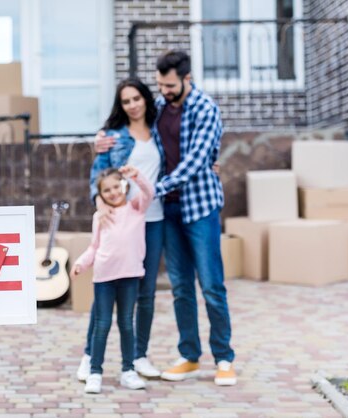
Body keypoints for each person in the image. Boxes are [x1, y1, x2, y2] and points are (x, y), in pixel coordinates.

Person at [95, 50, 236, 386]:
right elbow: (136, 131)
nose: (164, 90)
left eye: (170, 85)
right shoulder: (160, 107)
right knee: (180, 287)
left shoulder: (206, 110)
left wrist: (152, 188)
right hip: (168, 211)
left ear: (187, 78)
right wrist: (101, 140)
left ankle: (224, 358)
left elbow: (196, 162)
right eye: (160, 85)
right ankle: (189, 355)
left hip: (199, 207)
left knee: (212, 286)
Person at [76, 78, 164, 382]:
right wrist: (99, 203)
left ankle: (138, 357)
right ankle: (90, 356)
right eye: (126, 101)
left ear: (145, 99)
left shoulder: (160, 131)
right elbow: (97, 176)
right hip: (122, 220)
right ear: (121, 105)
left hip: (154, 218)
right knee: (107, 288)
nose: (133, 105)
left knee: (146, 293)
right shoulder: (112, 136)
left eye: (137, 98)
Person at [71, 166, 154, 394]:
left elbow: (149, 192)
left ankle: (128, 371)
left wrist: (136, 175)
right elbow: (94, 247)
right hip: (104, 279)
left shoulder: (136, 208)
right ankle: (95, 372)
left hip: (129, 277)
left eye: (116, 187)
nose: (113, 192)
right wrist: (81, 263)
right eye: (107, 190)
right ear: (100, 195)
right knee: (102, 324)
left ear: (124, 186)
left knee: (127, 324)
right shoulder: (100, 217)